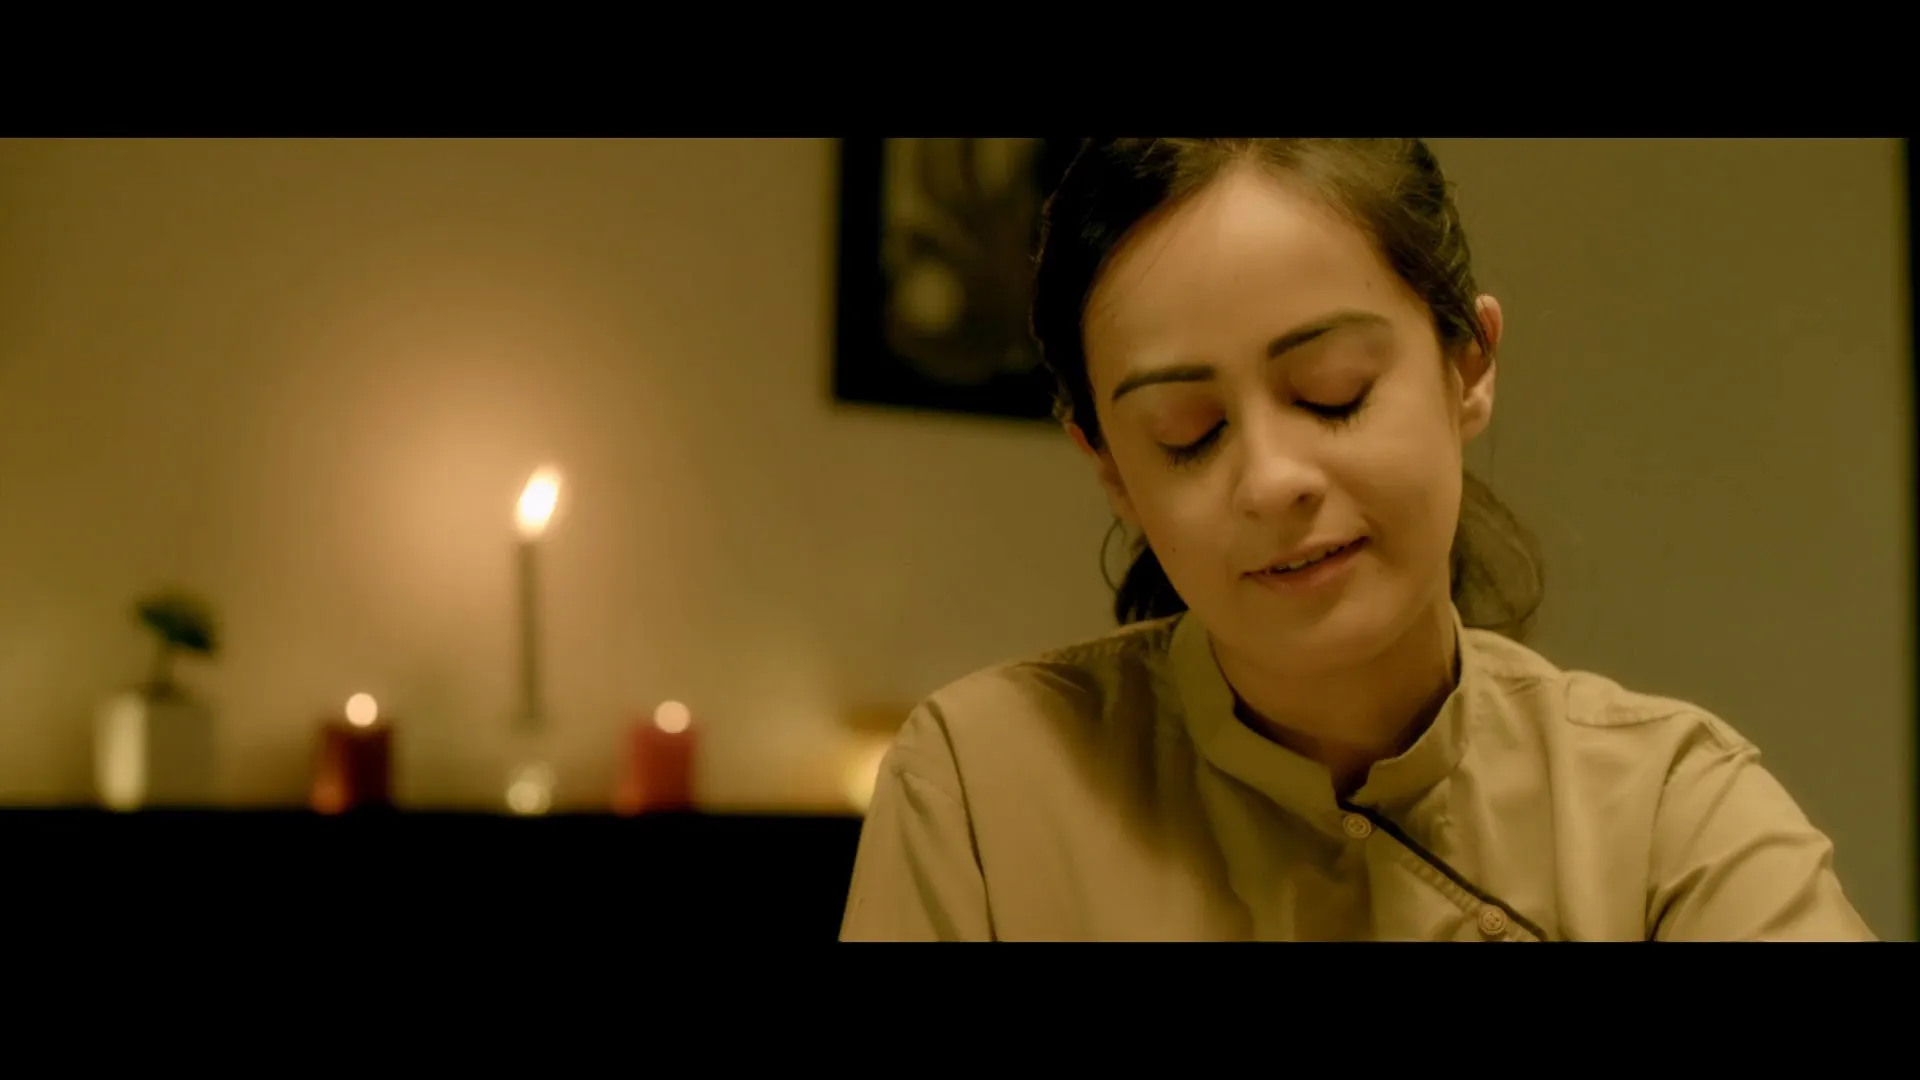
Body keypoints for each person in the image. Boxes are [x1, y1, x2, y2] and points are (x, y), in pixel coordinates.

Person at [839, 138, 1875, 942]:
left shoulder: (1669, 812)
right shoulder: (979, 791)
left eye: (1333, 394)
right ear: (1111, 467)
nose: (1272, 481)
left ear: (1468, 365)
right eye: (1188, 433)